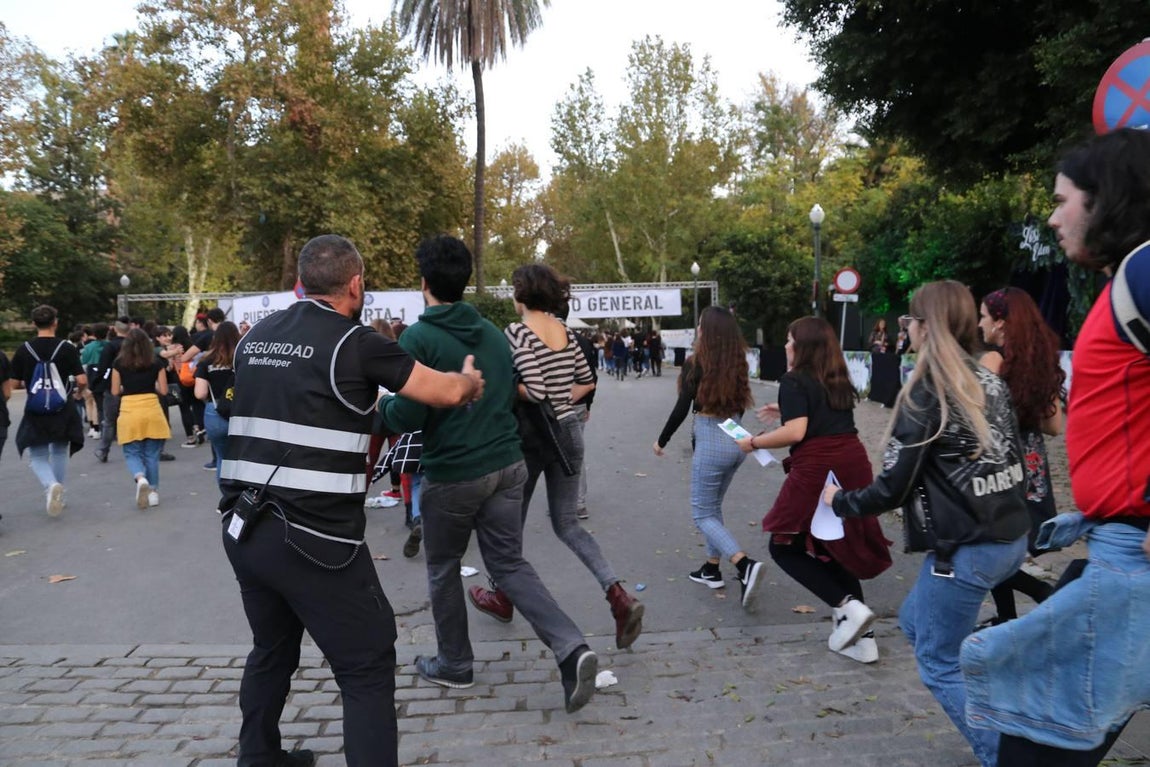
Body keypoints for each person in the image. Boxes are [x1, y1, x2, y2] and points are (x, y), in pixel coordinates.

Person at [217, 234, 484, 767]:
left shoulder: (254, 338)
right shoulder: (355, 342)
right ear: (356, 284)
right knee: (366, 666)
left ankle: (259, 758)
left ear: (304, 280)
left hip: (245, 528)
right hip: (316, 539)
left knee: (271, 649)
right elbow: (446, 393)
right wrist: (470, 380)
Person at [961, 127, 1150, 767]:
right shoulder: (1129, 277)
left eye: (1062, 198)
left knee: (1034, 748)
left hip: (1131, 560)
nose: (1052, 214)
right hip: (1112, 545)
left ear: (1108, 199)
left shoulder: (1145, 270)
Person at [378, 235, 599, 712]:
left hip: (454, 472)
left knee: (442, 567)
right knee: (509, 565)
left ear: (423, 283)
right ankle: (572, 648)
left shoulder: (418, 338)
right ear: (465, 280)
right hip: (508, 465)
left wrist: (382, 408)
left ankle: (454, 663)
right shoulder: (492, 333)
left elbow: (410, 417)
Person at [822, 280, 1030, 767]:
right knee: (918, 623)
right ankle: (996, 693)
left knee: (937, 663)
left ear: (925, 326)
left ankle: (1003, 754)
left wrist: (838, 501)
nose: (905, 329)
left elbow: (891, 487)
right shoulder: (990, 379)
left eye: (908, 321)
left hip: (968, 549)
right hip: (1009, 537)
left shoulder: (927, 394)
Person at [469, 263, 644, 651]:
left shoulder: (517, 332)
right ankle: (617, 595)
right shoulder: (566, 332)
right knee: (568, 524)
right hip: (569, 432)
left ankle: (501, 596)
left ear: (522, 294)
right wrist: (561, 402)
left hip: (531, 439)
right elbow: (587, 382)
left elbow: (532, 389)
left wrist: (509, 389)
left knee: (507, 527)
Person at [737, 317, 891, 662]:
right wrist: (788, 410)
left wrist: (754, 442)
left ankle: (847, 608)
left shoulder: (792, 380)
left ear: (803, 347)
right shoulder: (836, 378)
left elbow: (795, 432)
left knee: (783, 544)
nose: (787, 345)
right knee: (838, 544)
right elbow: (819, 415)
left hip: (819, 467)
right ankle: (864, 640)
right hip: (853, 461)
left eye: (790, 340)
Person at [653, 306, 765, 609]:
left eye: (701, 325)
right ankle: (711, 568)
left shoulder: (695, 363)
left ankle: (744, 565)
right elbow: (740, 407)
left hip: (711, 439)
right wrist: (739, 436)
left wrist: (661, 440)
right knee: (713, 508)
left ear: (708, 331)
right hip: (735, 437)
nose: (698, 329)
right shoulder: (738, 363)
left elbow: (681, 408)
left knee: (701, 514)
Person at [976, 287, 1065, 625]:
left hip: (998, 466)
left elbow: (978, 417)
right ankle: (1007, 617)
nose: (979, 323)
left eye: (984, 316)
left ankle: (1043, 593)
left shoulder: (991, 361)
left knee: (987, 550)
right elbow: (1054, 426)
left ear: (1000, 322)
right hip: (1030, 465)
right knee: (1002, 548)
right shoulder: (1040, 362)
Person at [10, 305, 87, 516]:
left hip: (36, 408)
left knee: (37, 455)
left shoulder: (24, 349)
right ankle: (59, 490)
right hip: (62, 406)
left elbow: (14, 382)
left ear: (34, 323)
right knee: (60, 450)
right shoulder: (67, 347)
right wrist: (78, 392)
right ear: (56, 322)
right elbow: (81, 379)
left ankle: (50, 484)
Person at [111, 328, 171, 508]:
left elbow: (114, 391)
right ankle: (153, 492)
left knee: (132, 452)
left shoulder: (119, 363)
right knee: (151, 454)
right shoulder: (156, 362)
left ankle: (140, 477)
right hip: (152, 408)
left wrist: (127, 388)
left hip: (129, 409)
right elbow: (164, 390)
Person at [194, 321, 240, 485]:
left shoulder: (206, 361)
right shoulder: (243, 357)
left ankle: (227, 503)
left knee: (222, 458)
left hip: (215, 412)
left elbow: (200, 393)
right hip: (241, 412)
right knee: (243, 459)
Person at [93, 319, 129, 463]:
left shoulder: (110, 346)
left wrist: (100, 382)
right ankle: (136, 450)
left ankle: (103, 449)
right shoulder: (134, 346)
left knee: (109, 420)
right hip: (134, 386)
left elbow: (103, 368)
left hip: (112, 386)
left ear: (115, 330)